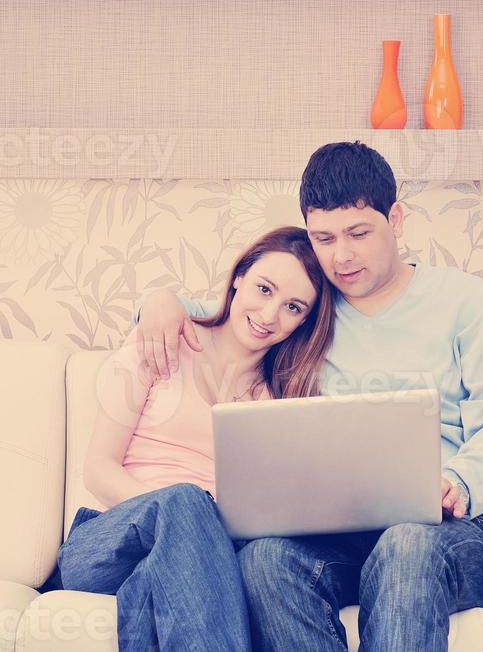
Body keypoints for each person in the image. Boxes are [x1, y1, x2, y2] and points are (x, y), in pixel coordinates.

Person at [133, 141, 483, 652]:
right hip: (338, 532)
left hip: (444, 531)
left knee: (406, 541)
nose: (341, 256)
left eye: (358, 233)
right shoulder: (309, 309)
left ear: (396, 219)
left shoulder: (467, 303)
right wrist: (160, 300)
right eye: (323, 238)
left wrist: (459, 480)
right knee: (263, 560)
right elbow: (226, 311)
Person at [40, 226, 336, 652]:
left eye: (292, 307)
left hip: (197, 561)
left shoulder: (281, 400)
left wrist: (198, 533)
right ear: (238, 277)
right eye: (264, 289)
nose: (270, 315)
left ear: (304, 321)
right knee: (187, 501)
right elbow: (98, 468)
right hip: (108, 540)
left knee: (156, 579)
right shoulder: (163, 342)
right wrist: (183, 514)